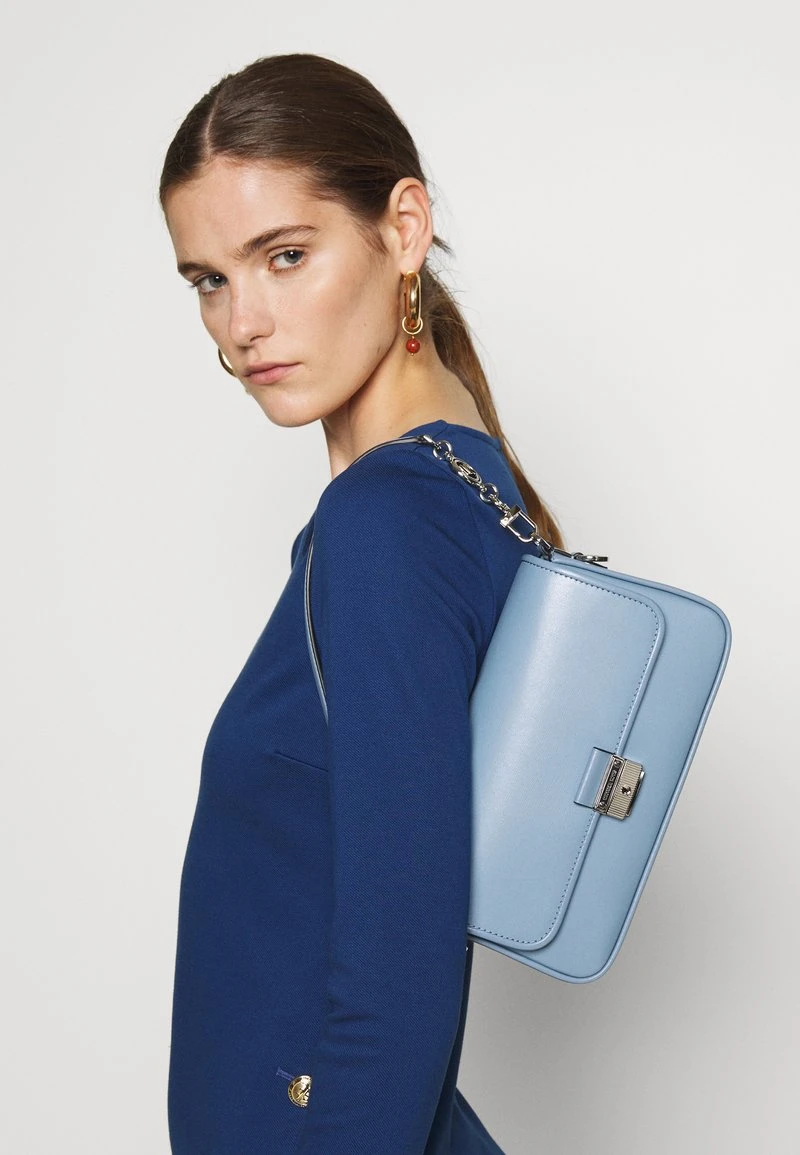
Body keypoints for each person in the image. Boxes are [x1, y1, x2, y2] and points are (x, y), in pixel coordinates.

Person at [159, 52, 565, 1155]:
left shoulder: (384, 520)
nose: (243, 322)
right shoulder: (461, 484)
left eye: (284, 256)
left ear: (403, 228)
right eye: (207, 280)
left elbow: (399, 977)